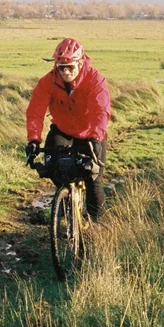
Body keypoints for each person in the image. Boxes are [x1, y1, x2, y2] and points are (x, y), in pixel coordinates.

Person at [25, 37, 111, 219]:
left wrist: (96, 137)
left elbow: (100, 112)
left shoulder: (95, 80)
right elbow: (35, 111)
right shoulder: (48, 82)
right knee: (53, 166)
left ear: (80, 63)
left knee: (93, 179)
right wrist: (33, 139)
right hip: (63, 130)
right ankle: (66, 197)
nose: (65, 72)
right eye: (60, 67)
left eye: (70, 67)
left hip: (90, 133)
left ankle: (97, 228)